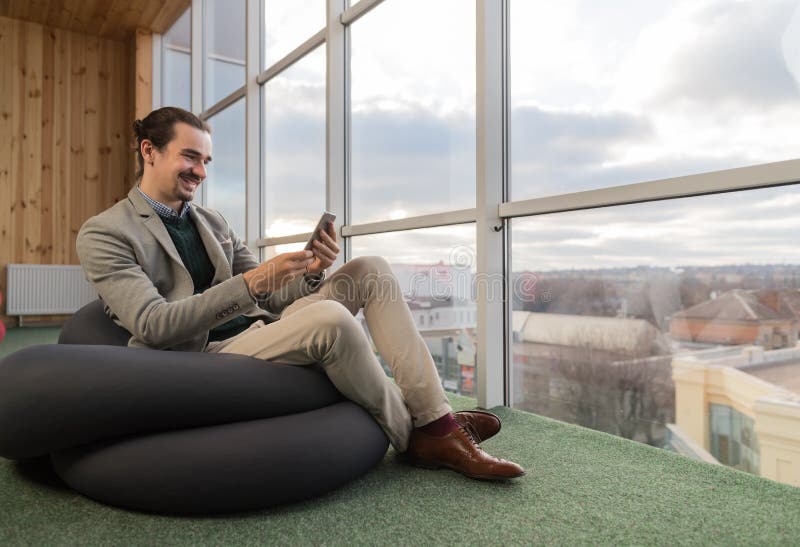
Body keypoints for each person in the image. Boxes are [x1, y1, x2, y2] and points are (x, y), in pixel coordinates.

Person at [77, 106, 524, 481]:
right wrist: (251, 283)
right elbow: (153, 326)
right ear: (149, 151)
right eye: (190, 156)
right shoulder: (106, 233)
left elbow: (271, 300)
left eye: (207, 161)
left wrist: (311, 272)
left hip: (261, 329)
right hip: (203, 352)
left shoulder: (213, 222)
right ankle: (430, 434)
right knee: (331, 320)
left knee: (370, 269)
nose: (200, 171)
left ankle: (433, 416)